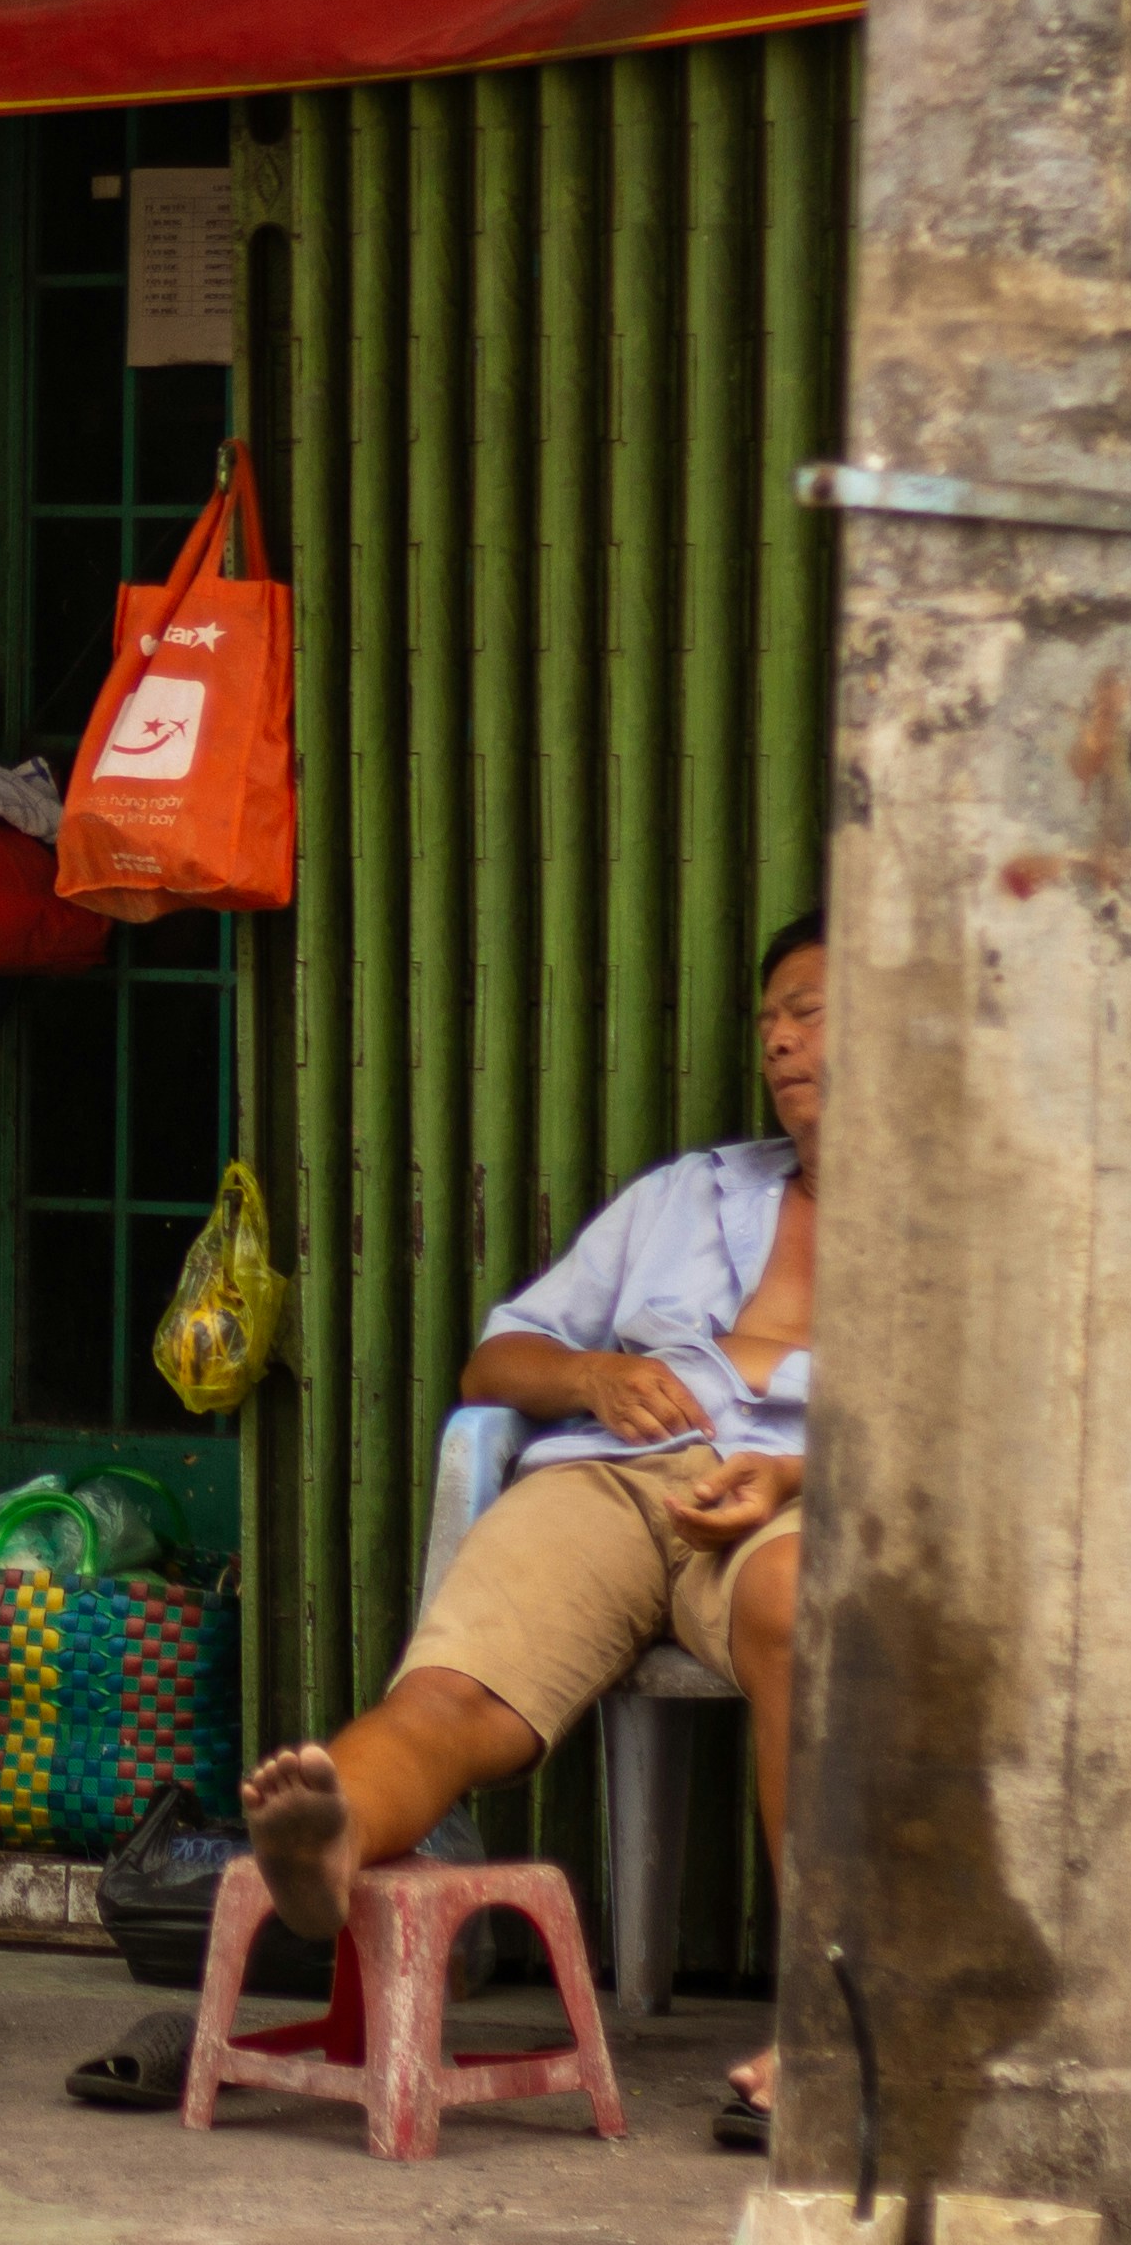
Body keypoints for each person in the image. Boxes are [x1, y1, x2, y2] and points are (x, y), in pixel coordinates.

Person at [239, 907, 825, 2134]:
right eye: (769, 1017)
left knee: (796, 1605)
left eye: (809, 1012)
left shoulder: (963, 1228)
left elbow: (977, 1426)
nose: (777, 1040)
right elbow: (496, 1360)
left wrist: (796, 1481)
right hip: (620, 1478)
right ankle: (329, 1846)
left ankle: (826, 2024)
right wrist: (593, 1381)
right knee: (455, 1698)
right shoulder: (689, 1195)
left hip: (796, 1497)